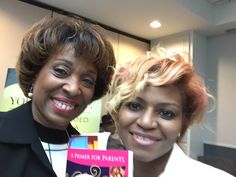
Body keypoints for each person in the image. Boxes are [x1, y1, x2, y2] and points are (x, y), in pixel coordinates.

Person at [0, 15, 116, 177]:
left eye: (88, 80)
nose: (74, 88)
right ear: (35, 72)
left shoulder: (91, 151)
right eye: (61, 71)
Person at [105, 53, 233, 177]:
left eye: (166, 113)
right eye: (135, 106)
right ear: (117, 112)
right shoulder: (95, 170)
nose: (146, 122)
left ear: (183, 123)